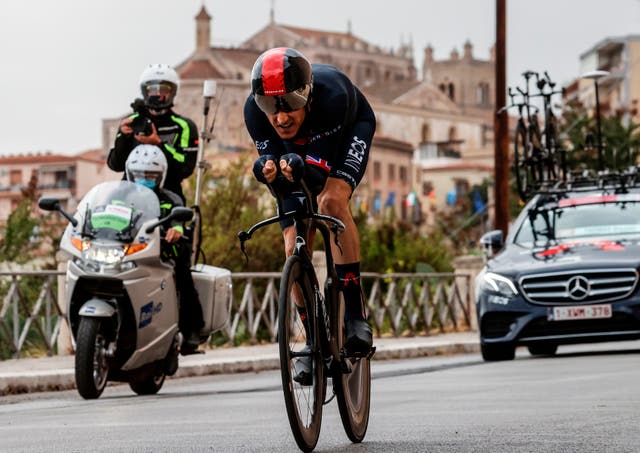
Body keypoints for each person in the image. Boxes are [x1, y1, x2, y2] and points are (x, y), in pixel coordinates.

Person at [243, 47, 376, 383]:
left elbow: (315, 181)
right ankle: (312, 338)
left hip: (347, 131)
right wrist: (268, 170)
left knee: (330, 202)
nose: (281, 117)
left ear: (307, 94)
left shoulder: (332, 98)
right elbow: (280, 182)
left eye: (289, 104)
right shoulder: (254, 112)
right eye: (271, 107)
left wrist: (297, 169)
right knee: (292, 243)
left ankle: (355, 314)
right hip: (301, 151)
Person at [125, 144, 204, 355]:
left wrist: (176, 229)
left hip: (165, 252)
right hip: (130, 251)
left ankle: (191, 330)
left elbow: (179, 219)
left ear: (161, 175)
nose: (144, 179)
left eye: (150, 175)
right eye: (139, 174)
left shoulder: (170, 198)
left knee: (183, 276)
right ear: (129, 173)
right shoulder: (122, 197)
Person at [108, 64, 198, 204]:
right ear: (145, 92)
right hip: (129, 196)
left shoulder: (184, 126)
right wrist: (123, 137)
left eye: (163, 90)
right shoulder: (132, 122)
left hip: (168, 198)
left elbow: (185, 169)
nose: (157, 94)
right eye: (152, 90)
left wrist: (159, 144)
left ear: (172, 92)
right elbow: (115, 165)